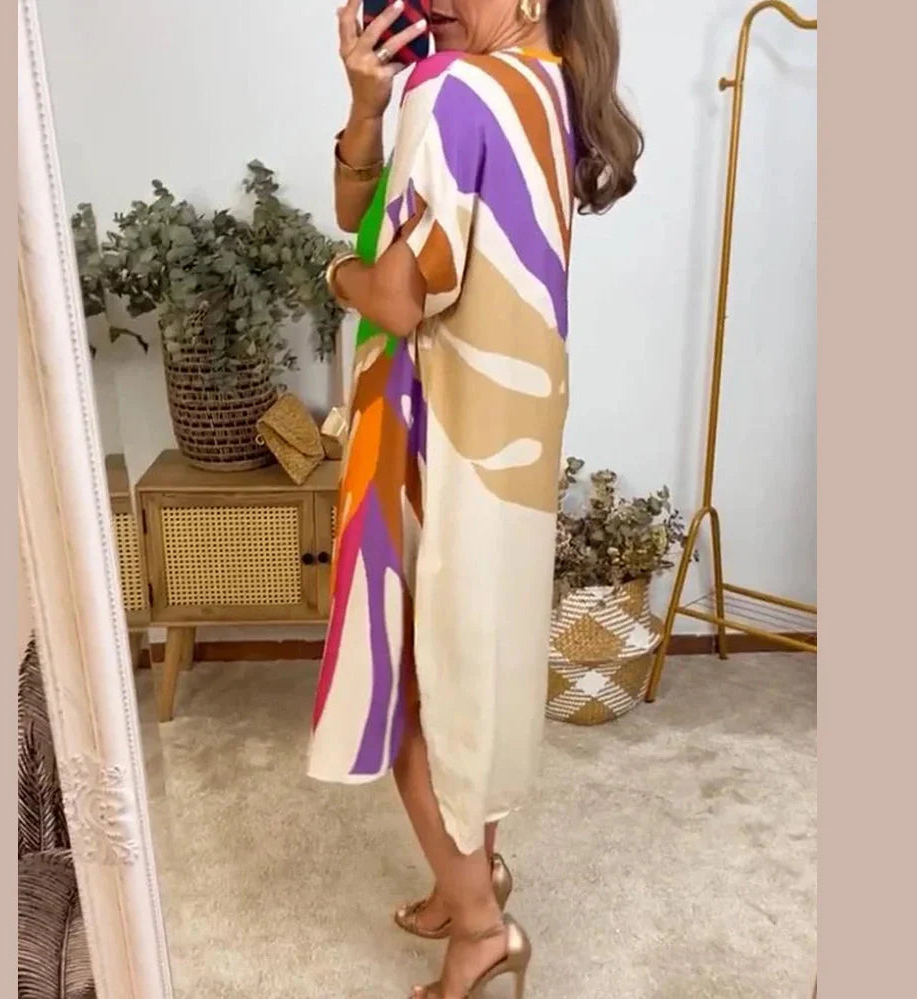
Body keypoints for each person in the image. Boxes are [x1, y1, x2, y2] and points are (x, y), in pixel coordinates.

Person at [308, 1, 642, 995]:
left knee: (418, 697)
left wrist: (333, 274)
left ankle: (482, 931)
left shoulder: (454, 91)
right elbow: (375, 210)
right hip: (512, 448)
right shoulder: (551, 83)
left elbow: (392, 288)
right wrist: (366, 109)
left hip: (437, 443)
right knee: (472, 680)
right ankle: (469, 880)